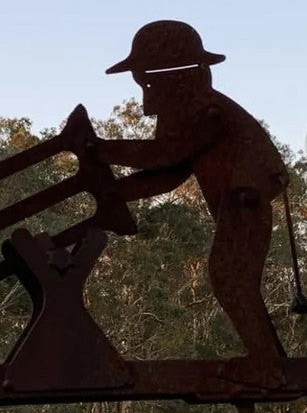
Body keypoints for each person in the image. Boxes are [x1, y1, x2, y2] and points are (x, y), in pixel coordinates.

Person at [93, 20, 288, 370]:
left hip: (244, 198)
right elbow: (170, 174)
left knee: (230, 276)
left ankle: (267, 365)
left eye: (144, 80)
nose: (143, 89)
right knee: (234, 279)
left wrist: (100, 149)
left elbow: (166, 155)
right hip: (240, 200)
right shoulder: (183, 112)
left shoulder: (208, 113)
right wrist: (114, 193)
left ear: (164, 79)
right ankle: (270, 361)